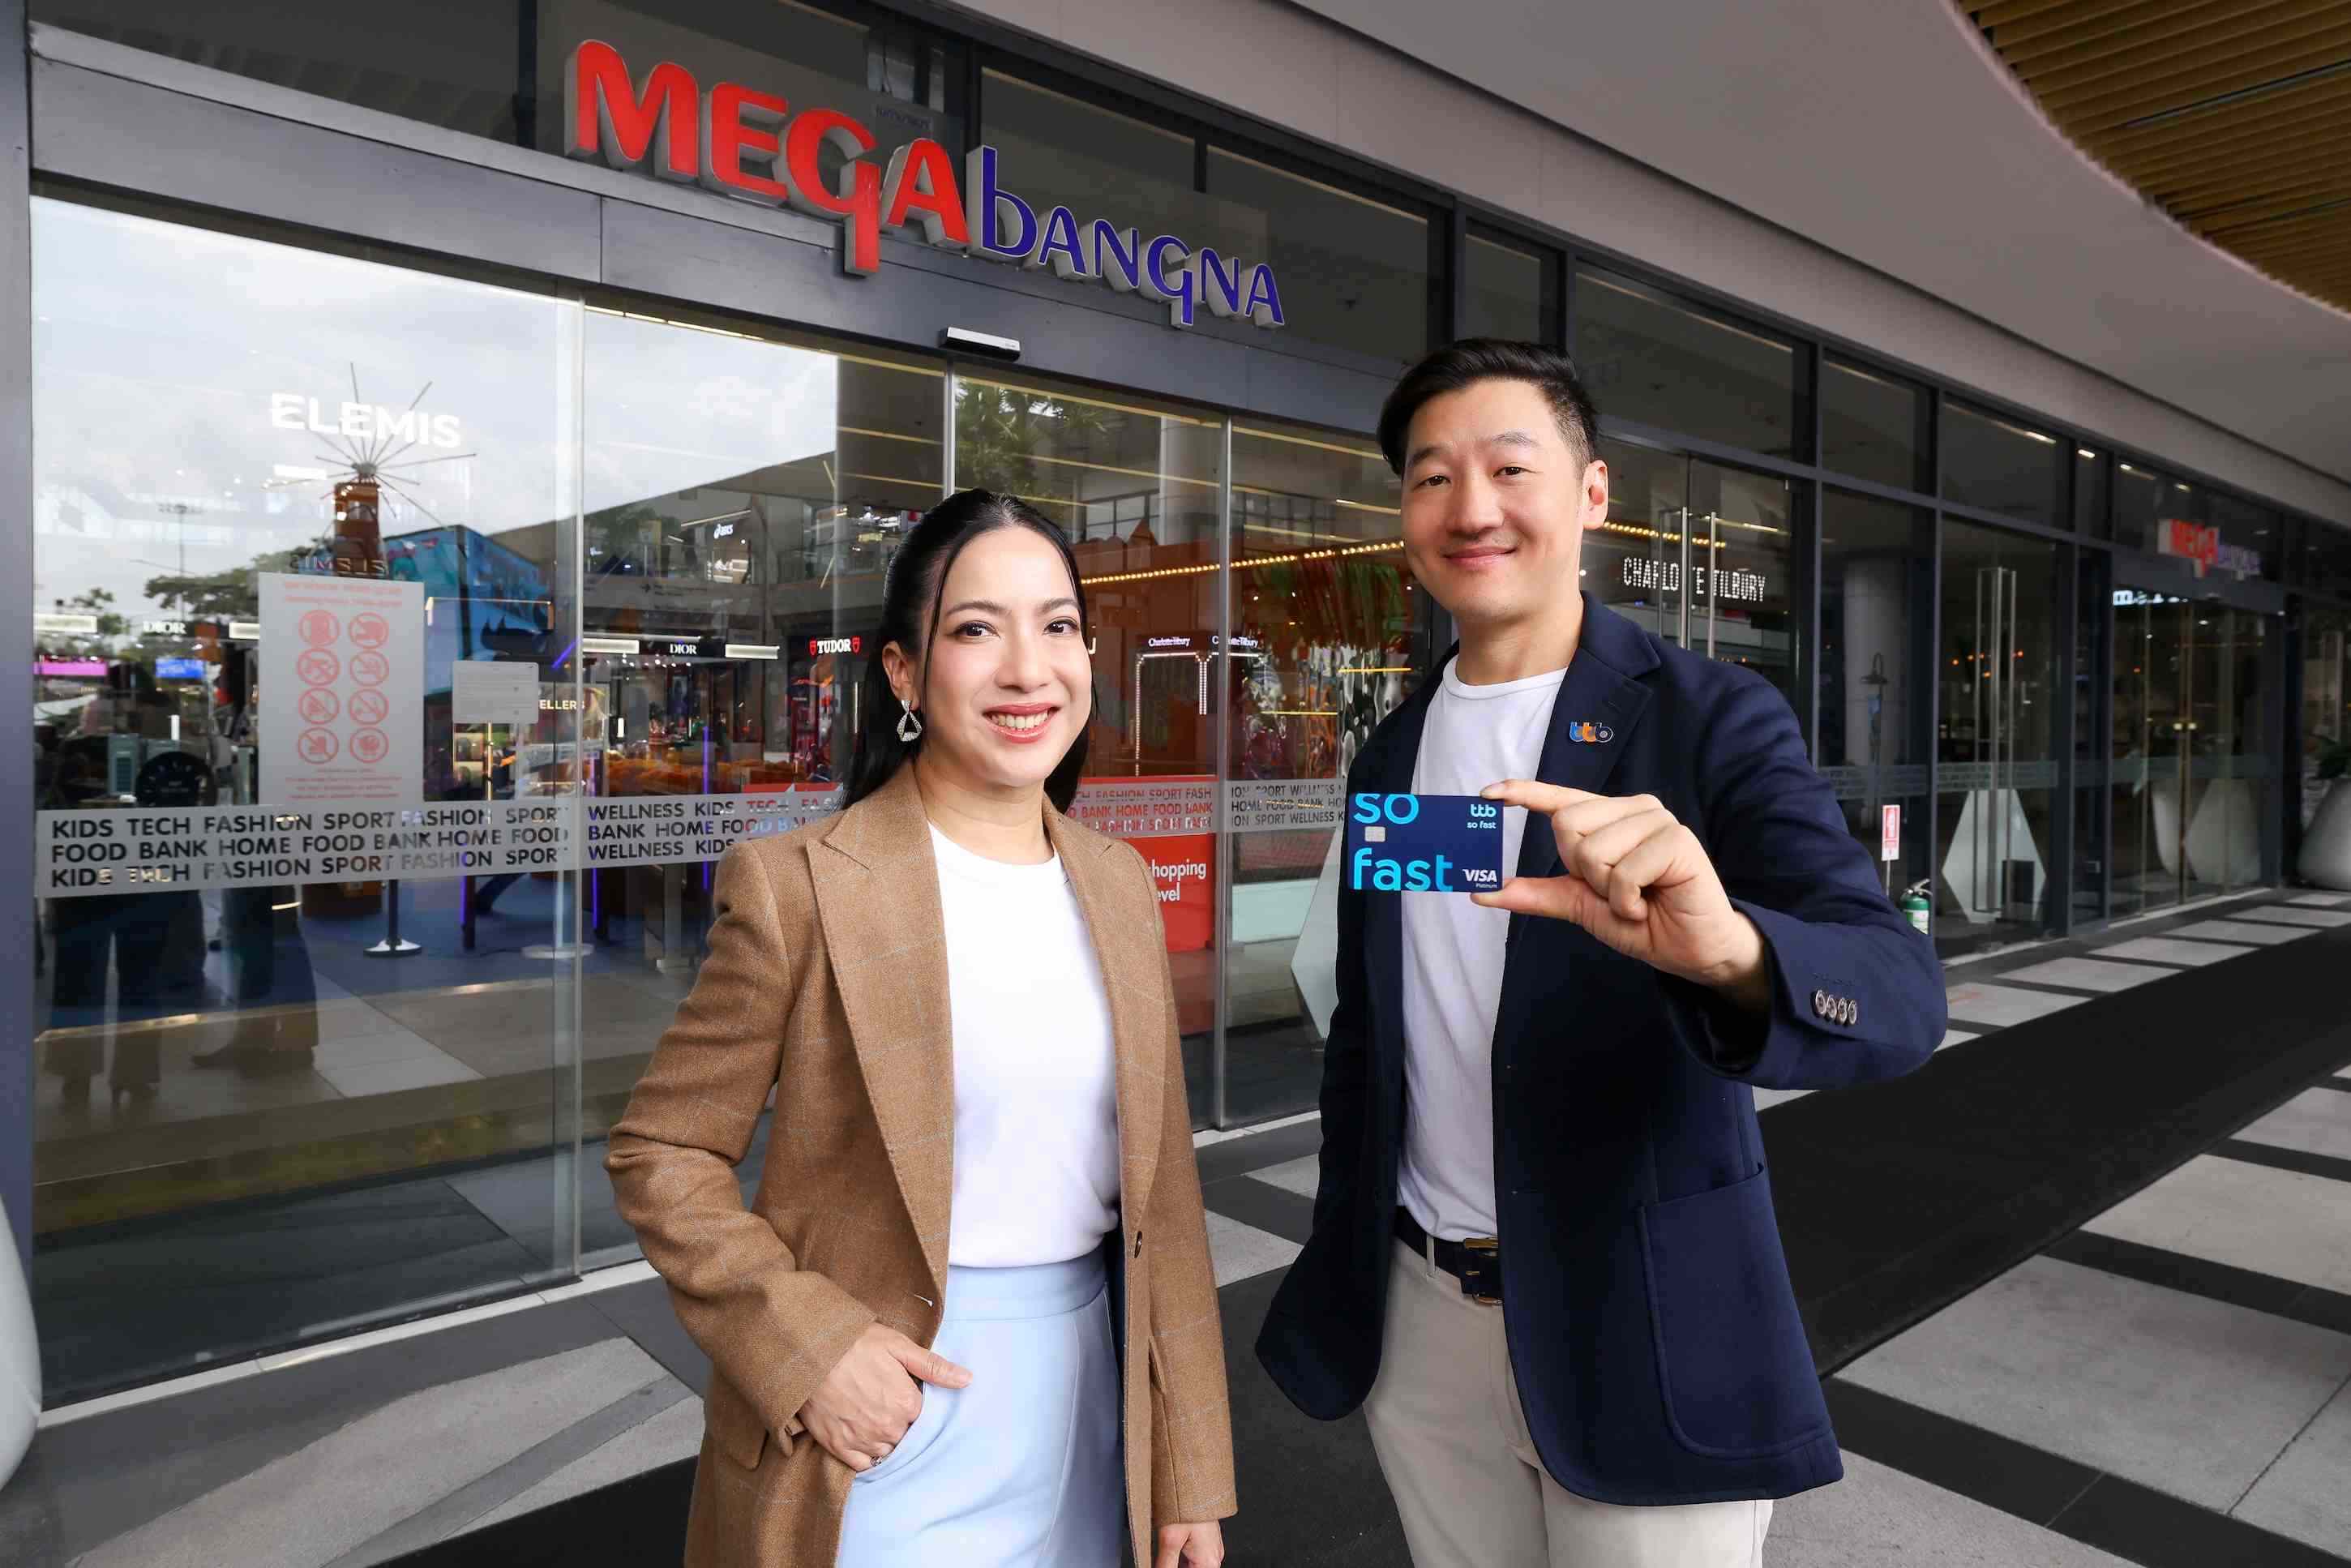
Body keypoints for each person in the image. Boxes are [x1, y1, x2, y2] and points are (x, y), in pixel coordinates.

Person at [1256, 341, 1947, 1566]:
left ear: (1592, 494)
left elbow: (1897, 993)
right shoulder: (1394, 753)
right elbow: (1378, 1029)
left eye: (1509, 467)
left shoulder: (1707, 716)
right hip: (1422, 1326)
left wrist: (1730, 950)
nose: (1471, 507)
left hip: (1643, 1321)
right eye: (1432, 477)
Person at [607, 489, 1235, 1568]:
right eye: (977, 628)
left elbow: (1163, 1202)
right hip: (883, 1420)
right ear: (904, 672)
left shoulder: (1119, 885)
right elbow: (661, 1149)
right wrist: (808, 1346)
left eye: (1057, 626)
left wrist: (1189, 1470)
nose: (1028, 670)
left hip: (1093, 1407)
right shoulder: (801, 886)